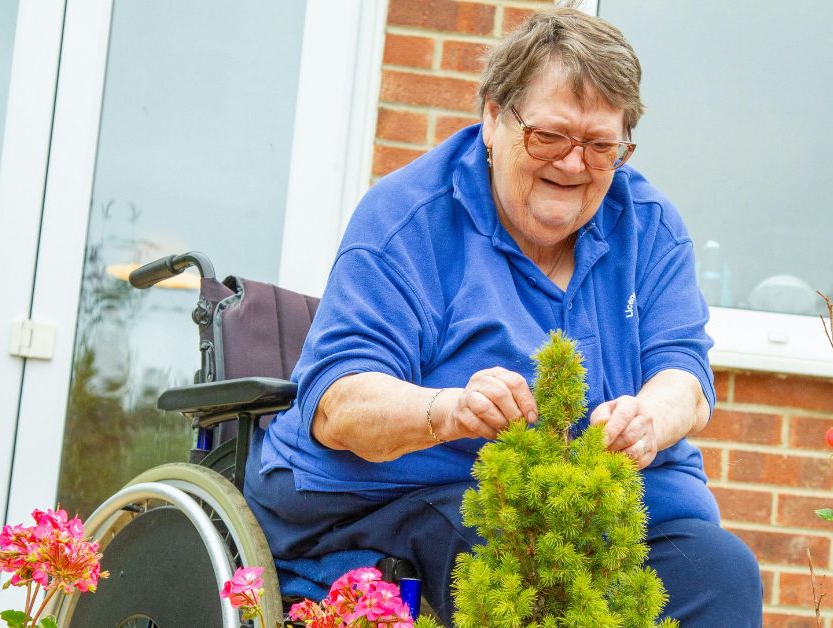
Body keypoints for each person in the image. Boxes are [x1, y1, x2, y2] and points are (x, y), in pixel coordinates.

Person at [245, 7, 762, 626]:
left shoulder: (648, 226)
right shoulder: (407, 219)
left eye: (601, 146)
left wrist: (649, 417)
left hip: (603, 514)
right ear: (493, 115)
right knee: (518, 576)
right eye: (550, 137)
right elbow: (340, 405)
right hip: (415, 502)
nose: (574, 165)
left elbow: (685, 375)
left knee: (722, 572)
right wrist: (448, 411)